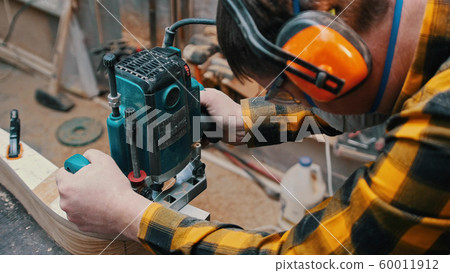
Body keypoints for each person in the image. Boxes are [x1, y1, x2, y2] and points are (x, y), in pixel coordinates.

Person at [56, 0, 450, 254]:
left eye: (293, 91)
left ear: (333, 62)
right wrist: (247, 122)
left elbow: (297, 261)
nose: (293, 103)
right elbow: (349, 105)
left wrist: (126, 214)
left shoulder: (438, 127)